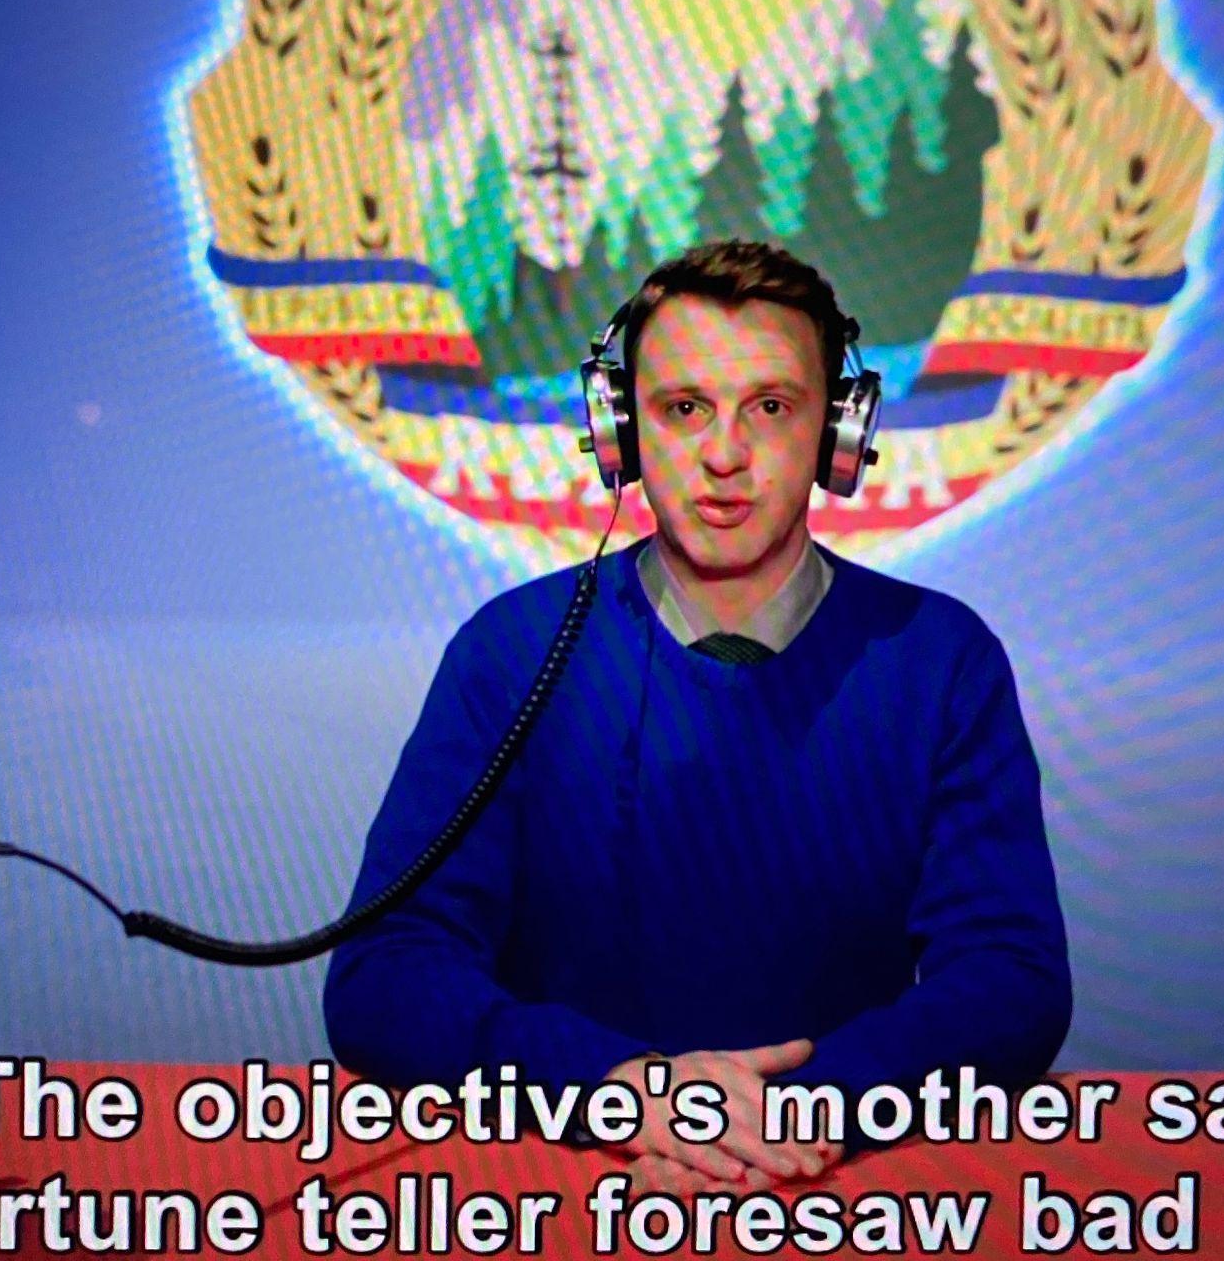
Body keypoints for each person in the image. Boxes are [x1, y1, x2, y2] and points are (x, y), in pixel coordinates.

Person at [324, 239, 1071, 1193]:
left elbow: (1012, 980)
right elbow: (383, 977)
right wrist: (613, 1090)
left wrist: (815, 1107)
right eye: (683, 410)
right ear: (622, 431)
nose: (724, 454)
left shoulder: (942, 658)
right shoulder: (510, 651)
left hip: (839, 1190)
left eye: (770, 407)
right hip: (552, 1196)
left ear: (837, 435)